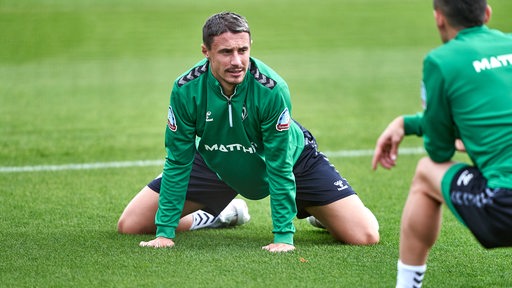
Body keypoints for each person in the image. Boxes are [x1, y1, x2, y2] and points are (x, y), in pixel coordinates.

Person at [118, 11, 379, 252]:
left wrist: (283, 237)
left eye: (243, 50)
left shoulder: (271, 89)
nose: (236, 61)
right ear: (205, 51)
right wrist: (164, 233)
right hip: (216, 159)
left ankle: (321, 213)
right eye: (226, 52)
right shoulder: (186, 89)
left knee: (365, 235)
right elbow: (178, 159)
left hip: (291, 160)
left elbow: (278, 164)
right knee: (131, 224)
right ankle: (218, 215)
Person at [372, 1, 512, 287]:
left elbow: (440, 150)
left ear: (439, 18)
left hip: (505, 206)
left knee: (426, 171)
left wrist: (458, 135)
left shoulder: (441, 61)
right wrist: (407, 123)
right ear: (487, 13)